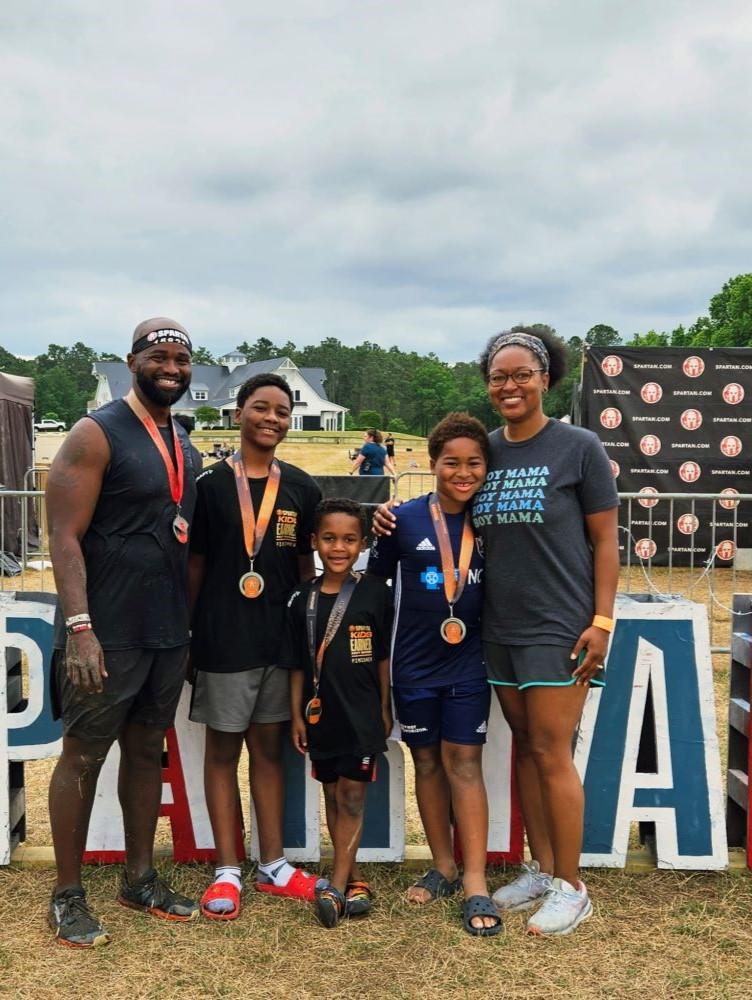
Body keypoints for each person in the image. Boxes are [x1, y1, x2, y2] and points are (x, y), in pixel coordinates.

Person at [375, 326, 619, 936]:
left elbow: (605, 541)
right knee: (528, 752)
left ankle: (572, 886)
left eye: (522, 375)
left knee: (552, 752)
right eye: (498, 376)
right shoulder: (483, 449)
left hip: (559, 624)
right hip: (495, 630)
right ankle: (543, 868)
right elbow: (444, 505)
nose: (510, 385)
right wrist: (384, 516)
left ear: (545, 379)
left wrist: (602, 621)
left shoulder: (579, 447)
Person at [46, 317, 199, 948]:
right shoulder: (96, 432)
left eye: (182, 360)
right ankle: (67, 895)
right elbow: (63, 536)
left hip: (164, 628)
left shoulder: (182, 438)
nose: (172, 368)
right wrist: (81, 627)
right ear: (132, 362)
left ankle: (140, 879)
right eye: (159, 357)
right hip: (105, 630)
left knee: (145, 752)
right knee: (83, 754)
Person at [188, 373, 322, 919]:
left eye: (282, 411)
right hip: (222, 640)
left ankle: (273, 864)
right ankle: (227, 869)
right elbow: (195, 566)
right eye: (261, 407)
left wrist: (308, 636)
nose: (272, 418)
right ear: (238, 412)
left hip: (278, 643)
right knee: (222, 754)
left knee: (268, 753)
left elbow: (305, 569)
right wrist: (190, 632)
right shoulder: (209, 485)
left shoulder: (302, 488)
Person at [368, 413, 501, 938]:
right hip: (413, 664)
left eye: (474, 463)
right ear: (432, 463)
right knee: (426, 761)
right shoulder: (400, 520)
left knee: (464, 763)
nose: (463, 473)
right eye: (452, 462)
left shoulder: (492, 520)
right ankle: (442, 865)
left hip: (470, 663)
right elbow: (374, 591)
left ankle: (475, 879)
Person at [280, 498, 392, 927]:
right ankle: (354, 877)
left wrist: (384, 706)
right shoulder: (300, 598)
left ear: (362, 544)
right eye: (329, 538)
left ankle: (336, 883)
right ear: (314, 541)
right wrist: (296, 715)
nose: (338, 548)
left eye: (349, 539)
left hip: (361, 713)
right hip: (319, 715)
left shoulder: (375, 592)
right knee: (331, 792)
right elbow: (295, 664)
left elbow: (383, 658)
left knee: (353, 795)